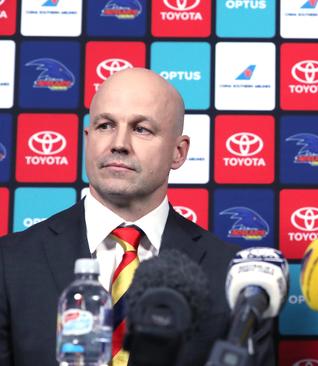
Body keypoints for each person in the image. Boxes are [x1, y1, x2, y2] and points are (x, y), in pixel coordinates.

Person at [0, 68, 273, 366]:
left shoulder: (235, 276)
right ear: (88, 139)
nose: (119, 143)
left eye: (141, 129)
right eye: (105, 125)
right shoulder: (10, 261)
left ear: (178, 153)